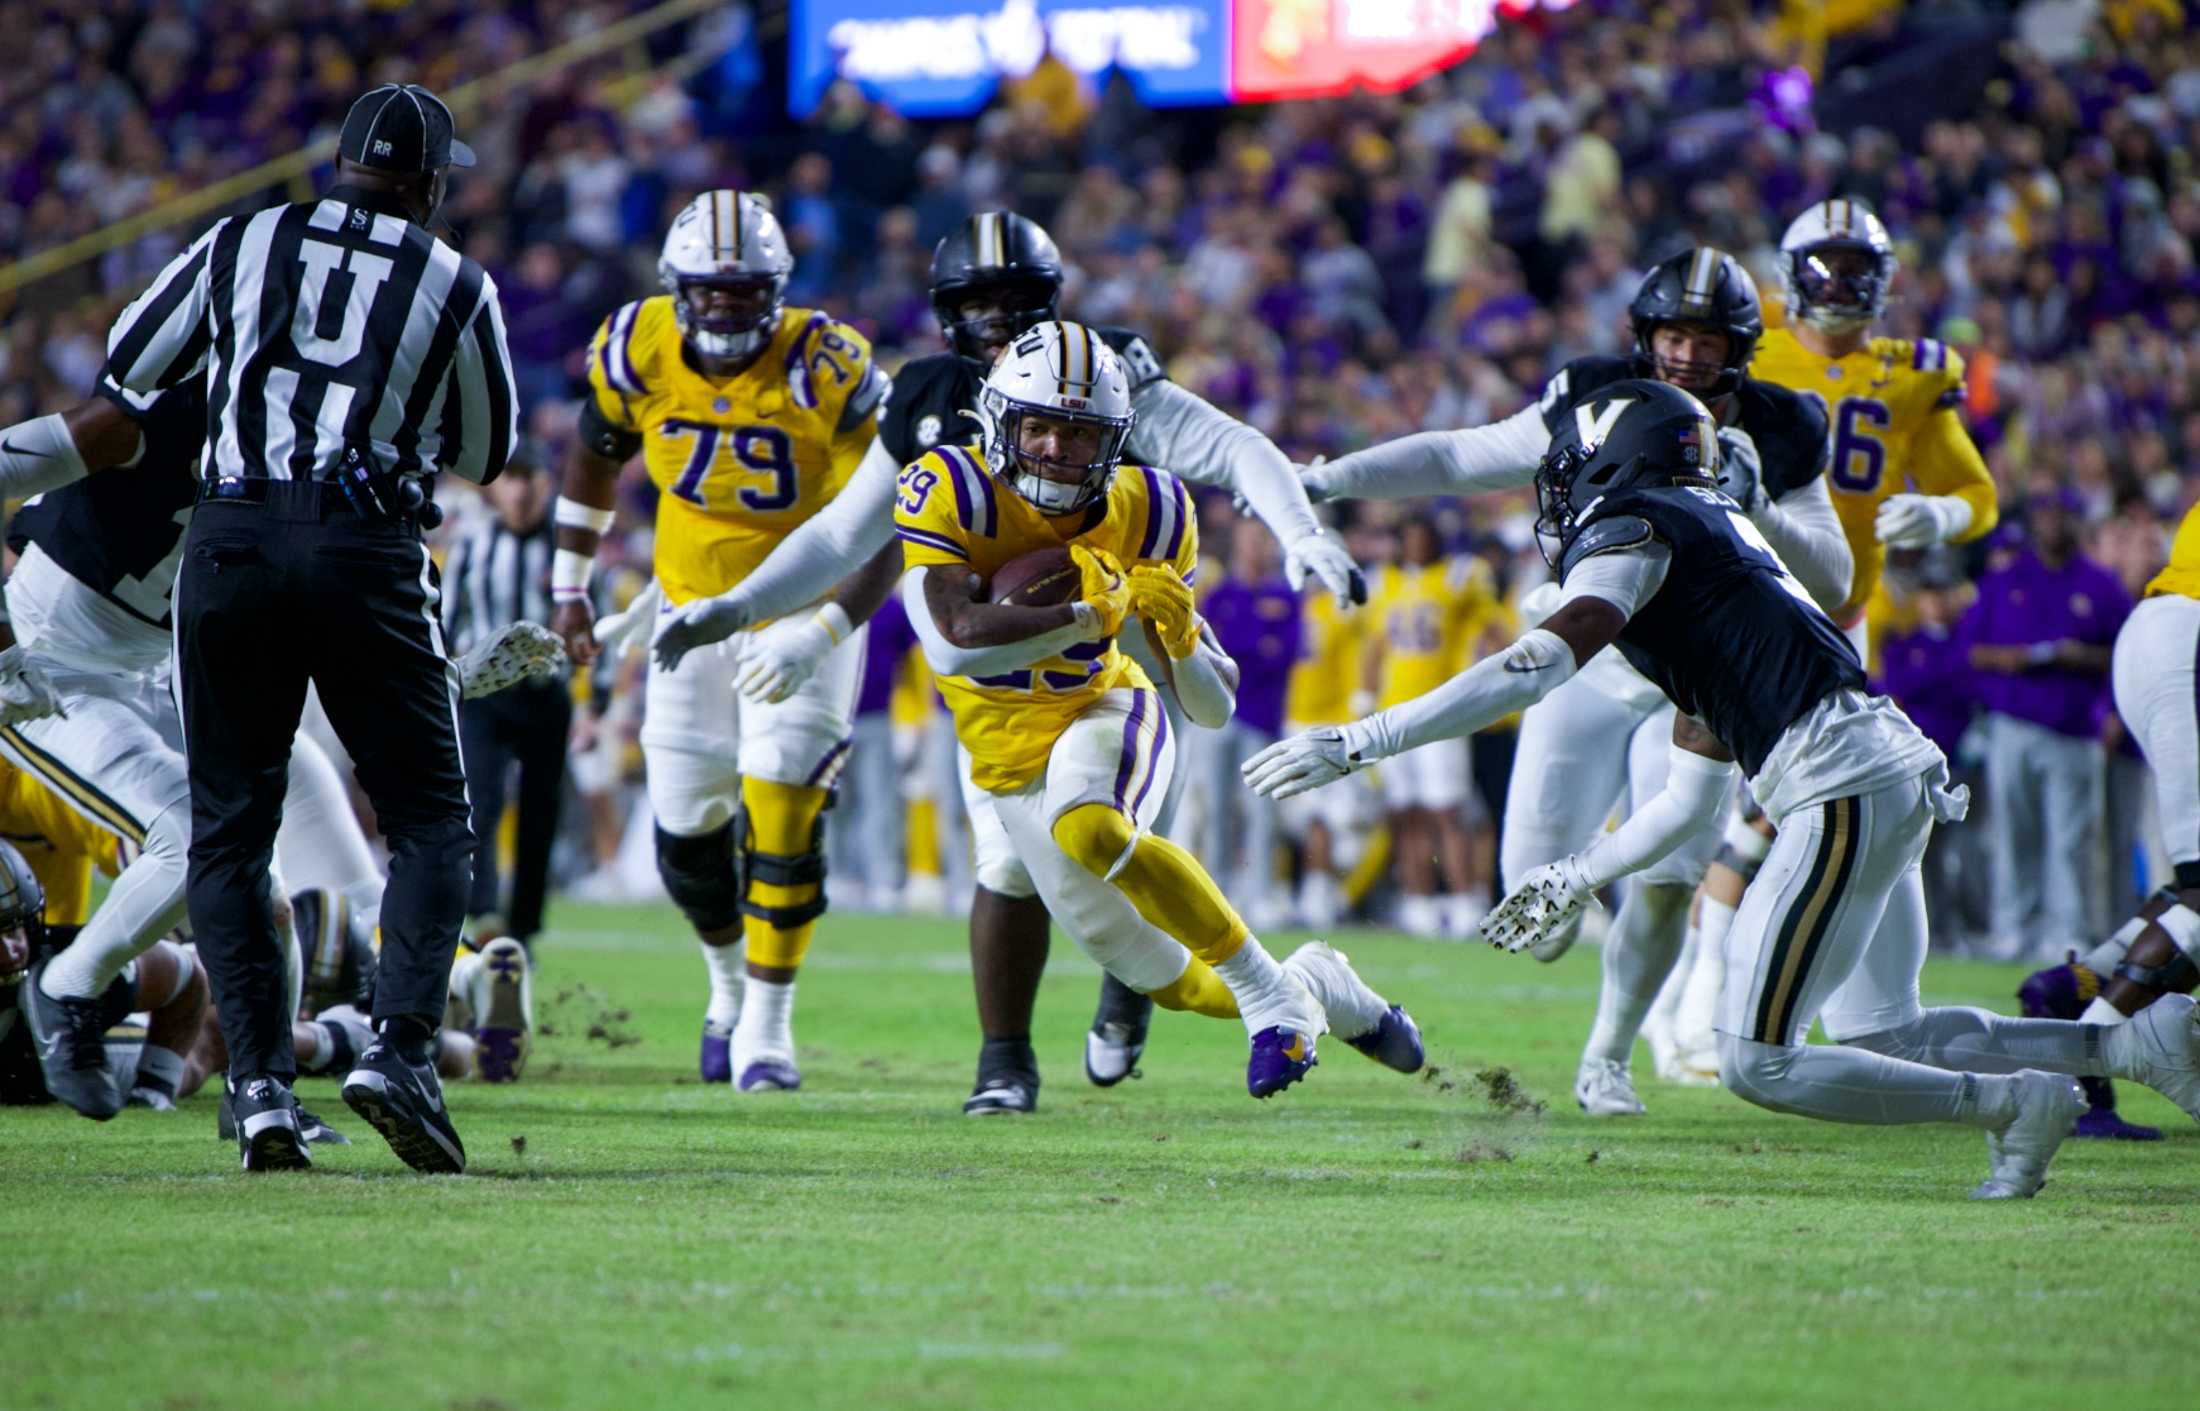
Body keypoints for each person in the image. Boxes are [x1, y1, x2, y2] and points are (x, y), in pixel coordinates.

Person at [1250, 380, 2200, 1198]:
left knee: (1760, 1059)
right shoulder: (1717, 550)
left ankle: (2014, 1102)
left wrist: (1365, 737)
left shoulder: (1640, 529)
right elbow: (1685, 803)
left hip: (1842, 781)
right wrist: (1579, 873)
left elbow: (1536, 666)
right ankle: (2122, 1047)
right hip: (1874, 770)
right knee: (1886, 1028)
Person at [649, 211, 1366, 1116]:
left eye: (1017, 301)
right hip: (992, 695)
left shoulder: (1106, 377)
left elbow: (1228, 448)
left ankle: (1139, 1011)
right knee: (1022, 875)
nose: (998, 318)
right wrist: (754, 612)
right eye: (977, 302)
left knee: (1098, 831)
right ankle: (1229, 1000)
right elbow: (856, 543)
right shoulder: (930, 422)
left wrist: (1294, 533)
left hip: (1107, 682)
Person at [1300, 247, 1847, 1115]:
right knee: (1538, 912)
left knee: (1668, 879)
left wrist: (1763, 502)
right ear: (1644, 334)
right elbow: (1455, 457)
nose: (1690, 356)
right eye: (1675, 334)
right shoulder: (1593, 395)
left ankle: (1608, 1058)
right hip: (1590, 666)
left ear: (1740, 347)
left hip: (1694, 687)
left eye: (1709, 339)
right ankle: (1595, 987)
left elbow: (1837, 580)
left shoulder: (1778, 429)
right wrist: (1326, 480)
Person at [100, 82, 518, 1172]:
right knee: (431, 817)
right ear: (428, 184)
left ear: (338, 166)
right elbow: (487, 446)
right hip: (363, 547)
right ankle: (400, 1050)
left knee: (232, 826)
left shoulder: (246, 236)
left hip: (229, 536)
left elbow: (133, 353)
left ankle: (259, 1089)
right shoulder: (452, 279)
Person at [893, 321, 1422, 1098]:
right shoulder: (952, 487)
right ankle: (1314, 984)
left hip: (1102, 706)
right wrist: (1086, 615)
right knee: (1170, 981)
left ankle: (1271, 999)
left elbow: (1211, 707)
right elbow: (955, 642)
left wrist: (1174, 637)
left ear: (1111, 441)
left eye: (1078, 435)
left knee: (1092, 824)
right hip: (1006, 767)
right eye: (1037, 426)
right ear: (1000, 420)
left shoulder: (1153, 509)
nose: (1052, 450)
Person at [547, 190, 899, 1094]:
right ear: (679, 288)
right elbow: (594, 448)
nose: (731, 307)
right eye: (714, 290)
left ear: (777, 289)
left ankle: (769, 1034)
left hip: (797, 617)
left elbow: (894, 514)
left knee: (782, 805)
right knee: (685, 835)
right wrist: (569, 581)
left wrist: (824, 630)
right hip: (688, 612)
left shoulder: (828, 364)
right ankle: (728, 984)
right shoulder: (640, 346)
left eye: (748, 291)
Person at [2019, 494, 2200, 1137]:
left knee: (2193, 894)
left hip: (2164, 638)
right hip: (2189, 641)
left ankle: (2073, 987)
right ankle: (2080, 1062)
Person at [1965, 489, 2129, 960]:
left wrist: (2083, 658)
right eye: (2044, 511)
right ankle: (2013, 930)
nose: (2052, 521)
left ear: (2079, 522)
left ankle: (2070, 934)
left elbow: (2125, 653)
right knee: (2013, 834)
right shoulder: (2007, 578)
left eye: (2061, 512)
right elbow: (1970, 649)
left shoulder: (2101, 585)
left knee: (2072, 840)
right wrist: (2010, 658)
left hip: (2074, 728)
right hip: (2013, 722)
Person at [443, 445, 573, 951]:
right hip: (483, 699)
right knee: (480, 803)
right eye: (511, 479)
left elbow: (591, 624)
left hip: (547, 696)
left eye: (529, 479)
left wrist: (599, 703)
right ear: (494, 488)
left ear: (546, 485)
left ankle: (524, 930)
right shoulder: (472, 545)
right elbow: (447, 622)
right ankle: (484, 915)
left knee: (541, 813)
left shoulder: (566, 550)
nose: (519, 491)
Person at [1363, 517, 1500, 938]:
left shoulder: (1459, 577)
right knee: (1405, 814)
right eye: (1410, 538)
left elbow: (1495, 631)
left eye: (1422, 538)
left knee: (1447, 812)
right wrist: (1364, 696)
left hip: (1442, 711)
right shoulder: (1383, 583)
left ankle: (1463, 899)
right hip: (1393, 713)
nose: (1416, 545)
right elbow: (1373, 646)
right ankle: (1417, 899)